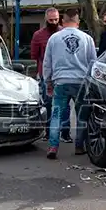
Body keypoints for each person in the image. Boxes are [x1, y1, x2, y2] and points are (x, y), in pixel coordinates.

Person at [42, 8, 97, 159]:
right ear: (78, 22)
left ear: (63, 21)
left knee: (56, 115)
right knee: (81, 116)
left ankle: (53, 146)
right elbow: (93, 63)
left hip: (60, 81)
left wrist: (48, 81)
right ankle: (79, 146)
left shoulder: (54, 38)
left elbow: (47, 63)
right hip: (81, 82)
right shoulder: (87, 39)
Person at [30, 8, 71, 141]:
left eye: (56, 19)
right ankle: (48, 132)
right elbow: (34, 55)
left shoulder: (64, 33)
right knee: (47, 104)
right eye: (51, 20)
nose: (53, 22)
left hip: (62, 73)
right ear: (46, 19)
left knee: (64, 105)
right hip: (46, 74)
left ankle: (65, 133)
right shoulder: (38, 35)